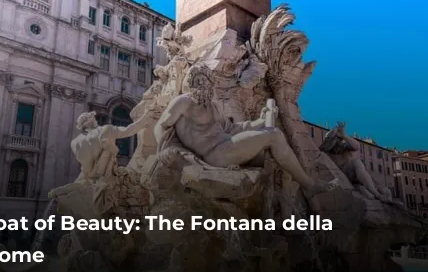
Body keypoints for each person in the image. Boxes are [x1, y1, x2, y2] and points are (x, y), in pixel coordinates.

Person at [154, 64, 337, 194]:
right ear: (192, 84)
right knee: (273, 135)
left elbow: (233, 128)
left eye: (205, 80)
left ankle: (300, 190)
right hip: (214, 154)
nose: (202, 83)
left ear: (211, 83)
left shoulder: (214, 107)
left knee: (271, 139)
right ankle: (309, 185)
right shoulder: (184, 102)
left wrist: (260, 120)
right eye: (197, 80)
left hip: (227, 145)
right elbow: (161, 125)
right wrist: (165, 150)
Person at [319, 122, 392, 202]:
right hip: (343, 175)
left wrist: (344, 136)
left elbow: (357, 146)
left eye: (339, 139)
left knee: (386, 191)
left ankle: (380, 195)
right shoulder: (326, 153)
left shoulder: (344, 147)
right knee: (356, 162)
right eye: (336, 139)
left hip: (357, 173)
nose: (338, 141)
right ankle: (377, 195)